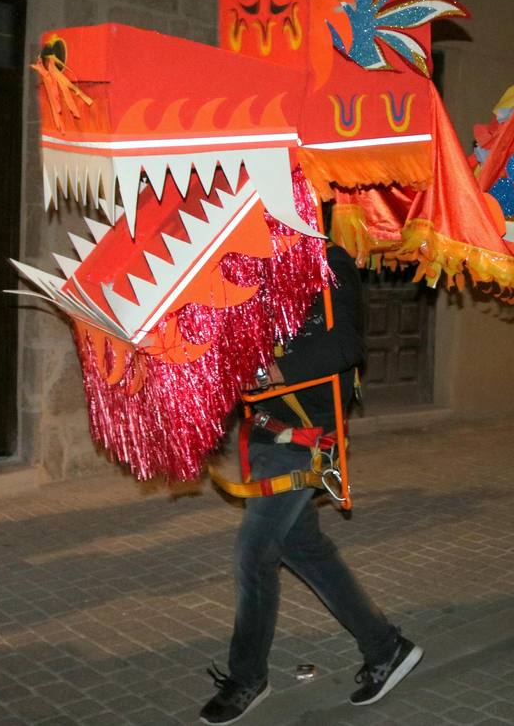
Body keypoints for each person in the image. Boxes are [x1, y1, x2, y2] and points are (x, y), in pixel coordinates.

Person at [201, 240, 422, 725]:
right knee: (303, 548)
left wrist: (267, 371)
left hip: (304, 436)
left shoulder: (329, 260)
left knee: (254, 552)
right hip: (264, 431)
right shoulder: (246, 261)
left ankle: (247, 678)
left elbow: (344, 345)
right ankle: (387, 647)